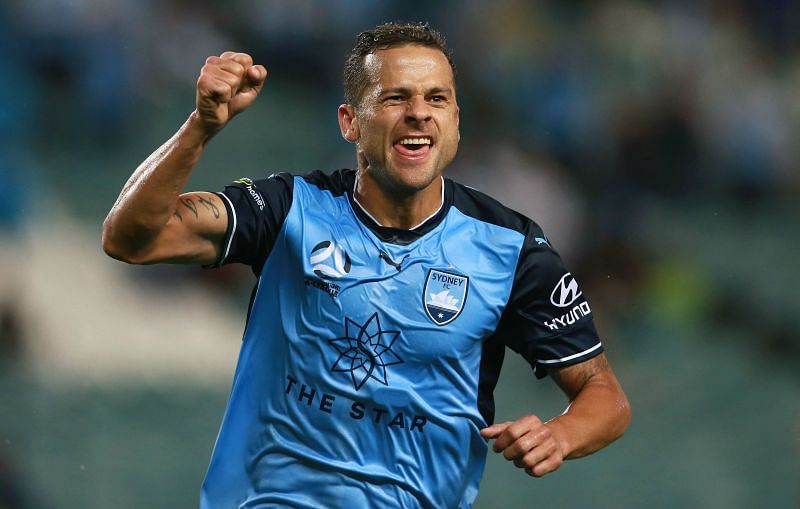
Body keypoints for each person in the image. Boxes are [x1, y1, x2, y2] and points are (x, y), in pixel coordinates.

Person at [103, 22, 630, 509]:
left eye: (437, 99)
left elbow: (604, 397)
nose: (419, 112)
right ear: (350, 122)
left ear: (455, 121)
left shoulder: (510, 248)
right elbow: (130, 239)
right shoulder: (291, 210)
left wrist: (559, 434)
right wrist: (200, 127)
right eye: (396, 97)